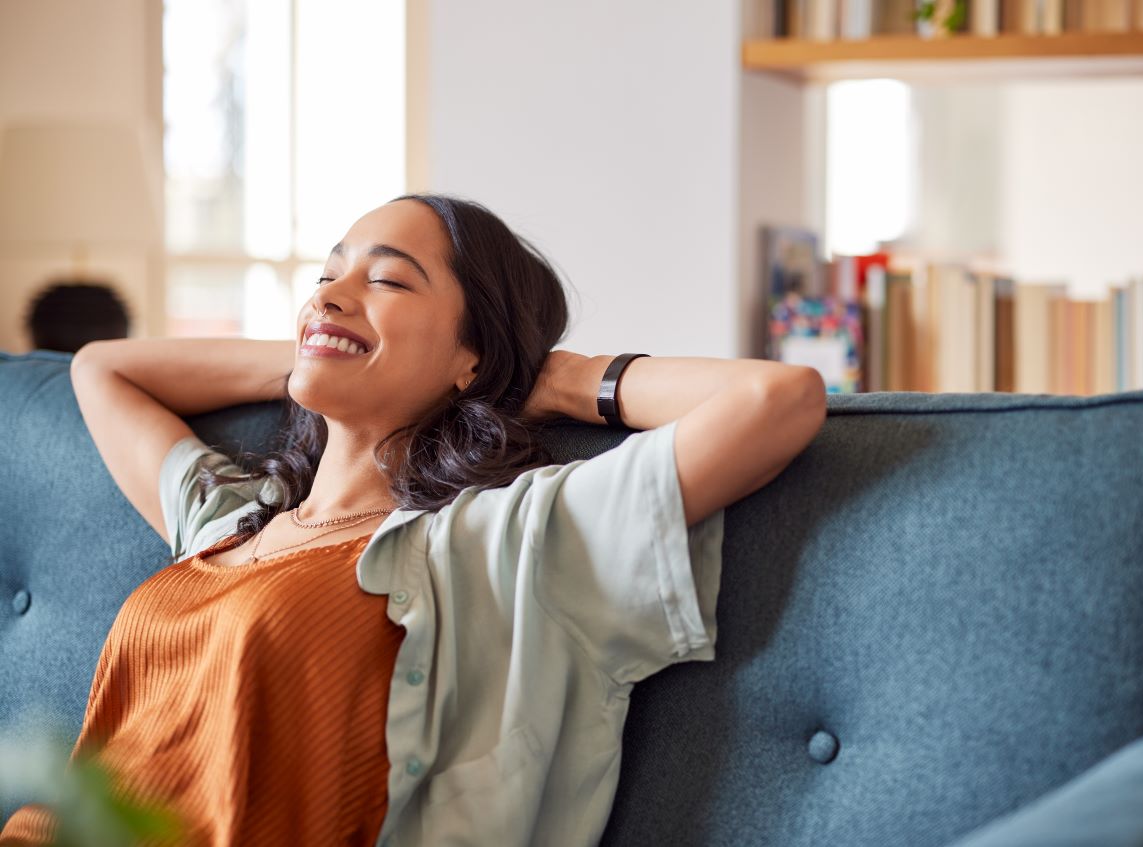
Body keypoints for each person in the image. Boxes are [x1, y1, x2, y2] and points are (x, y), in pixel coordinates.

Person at [0, 193, 826, 847]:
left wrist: (556, 378)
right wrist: (318, 350)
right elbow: (103, 370)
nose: (332, 291)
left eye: (388, 280)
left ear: (474, 354)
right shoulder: (229, 520)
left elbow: (776, 400)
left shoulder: (505, 546)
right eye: (328, 275)